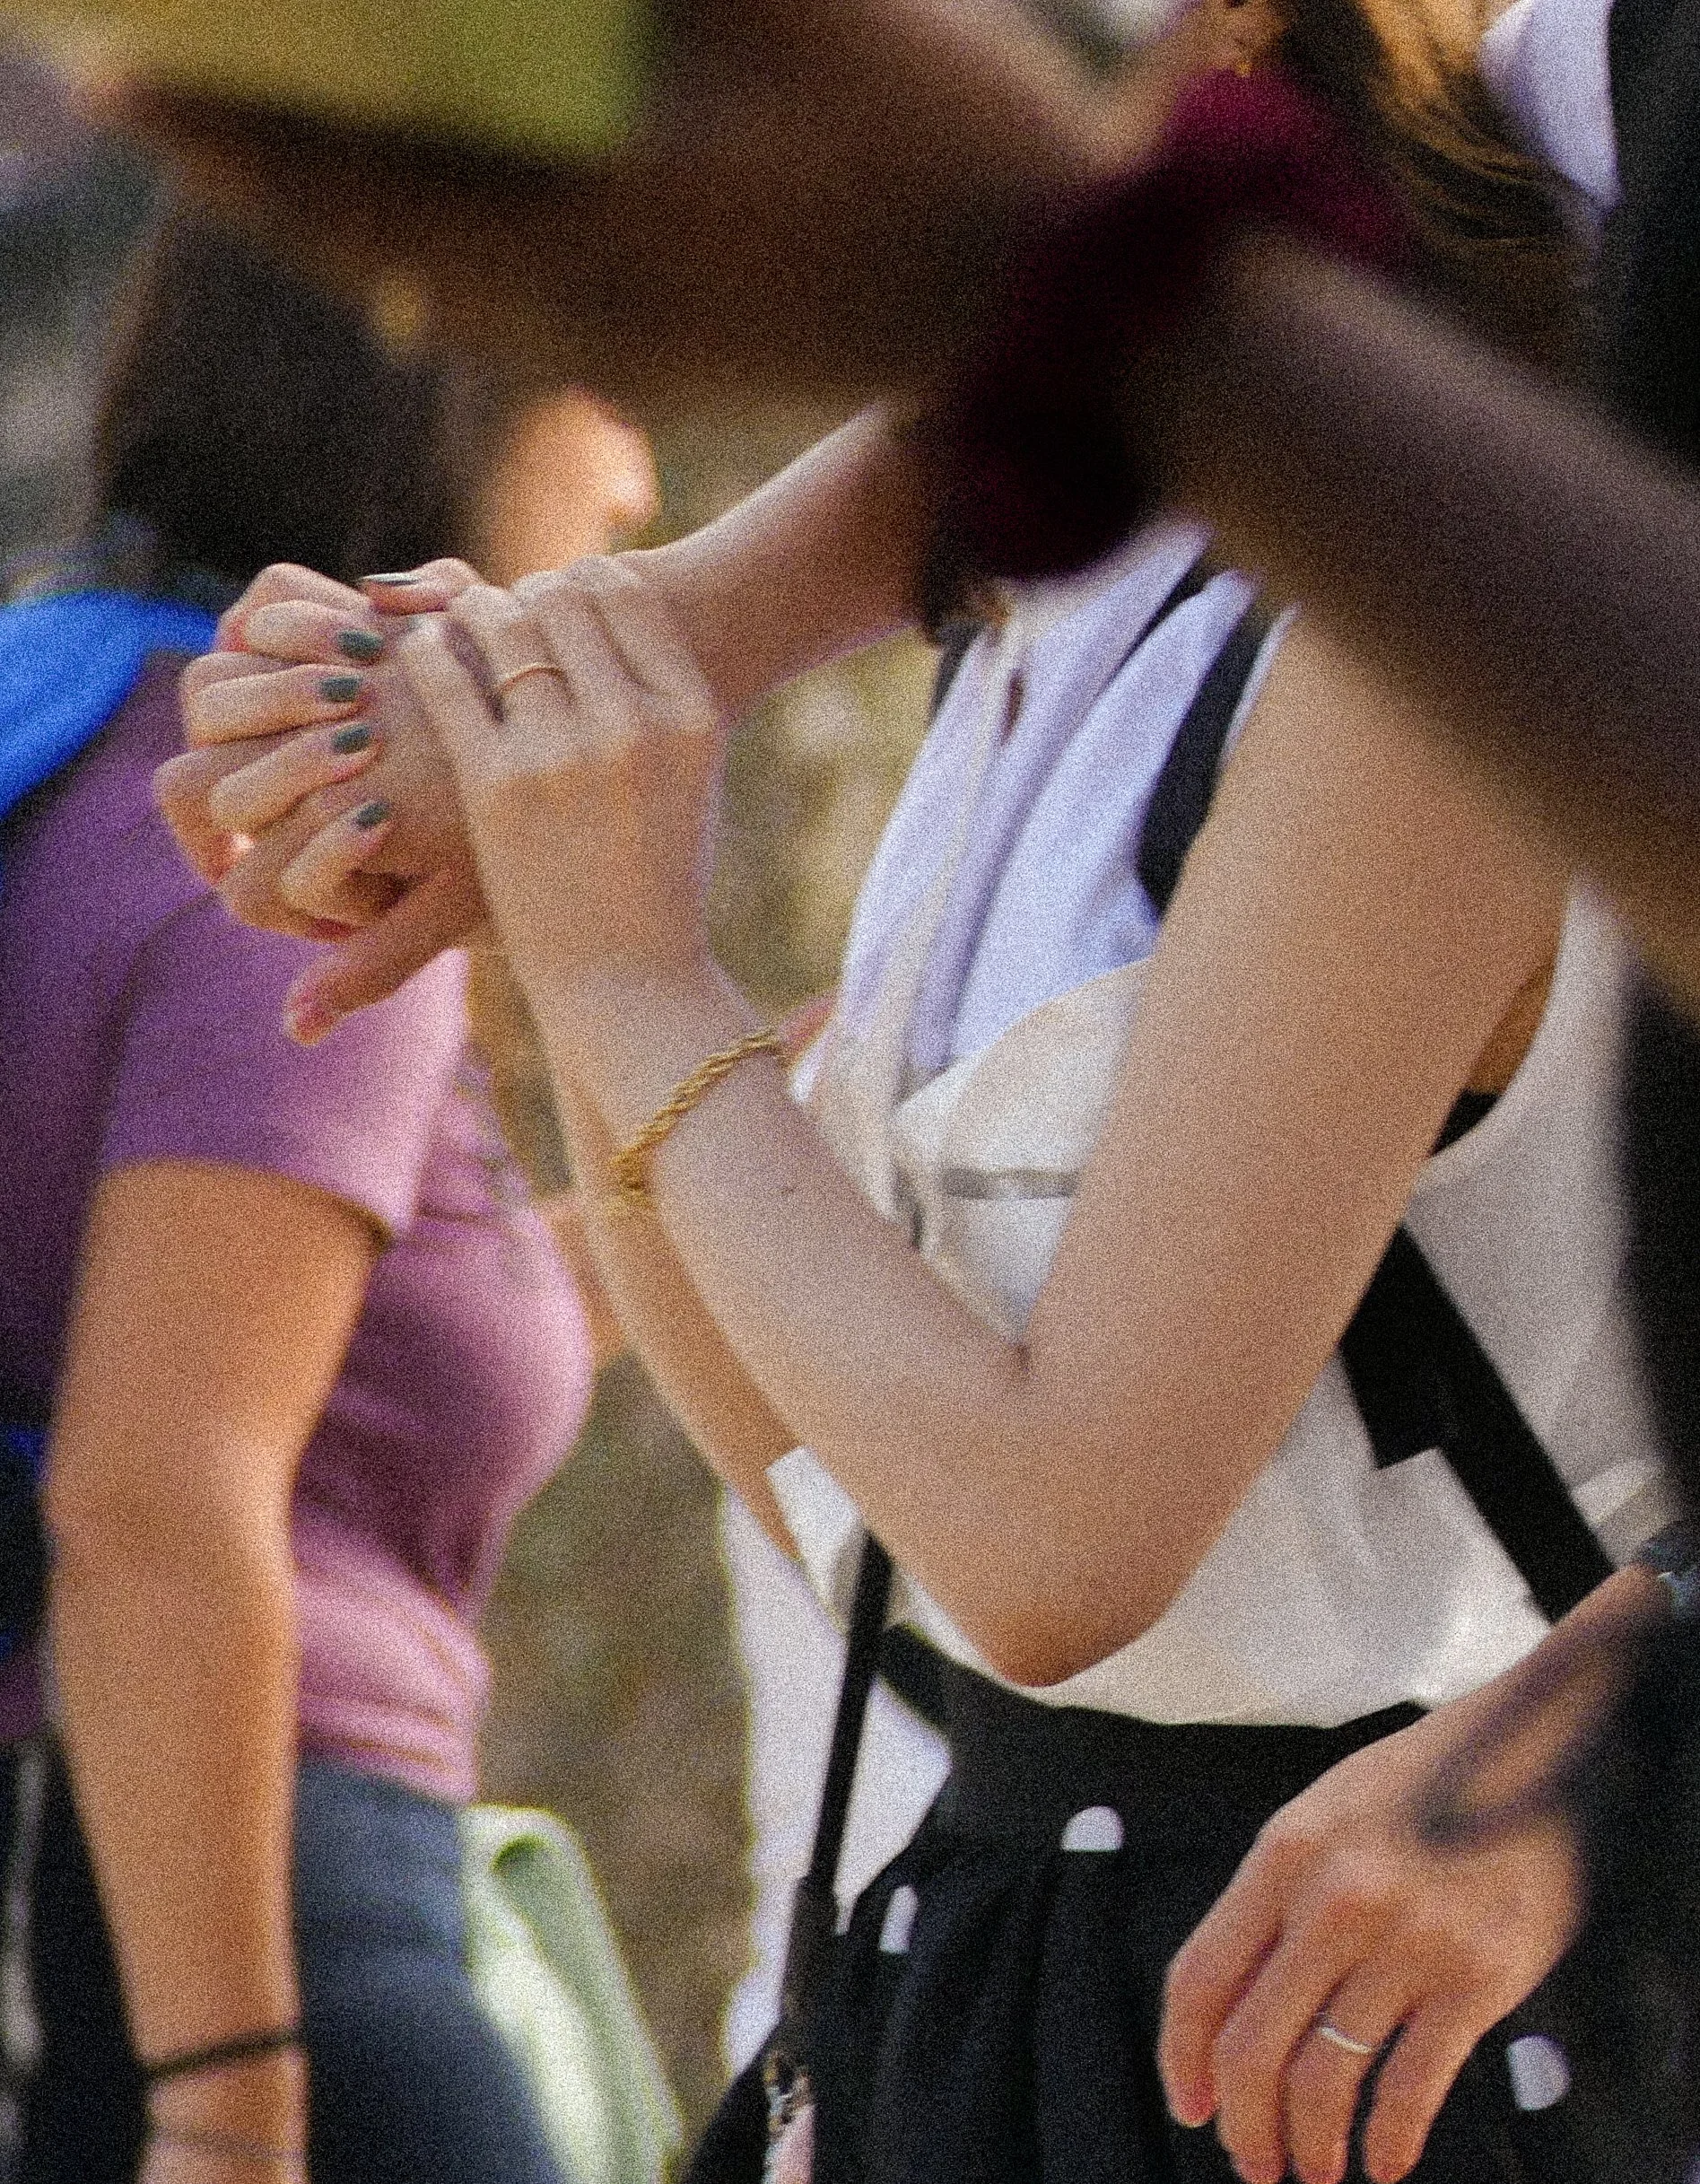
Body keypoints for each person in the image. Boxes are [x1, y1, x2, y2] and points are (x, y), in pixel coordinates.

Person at [163, 6, 1677, 2182]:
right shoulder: (1026, 609)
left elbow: (1060, 1542)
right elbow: (843, 1499)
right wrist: (548, 913)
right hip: (1011, 2003)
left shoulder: (1385, 644)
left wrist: (627, 957)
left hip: (1370, 2051)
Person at [0, 205, 624, 2184]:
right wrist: (231, 2103)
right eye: (610, 375)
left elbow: (296, 1348)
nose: (639, 473)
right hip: (241, 1923)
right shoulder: (285, 817)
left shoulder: (59, 730)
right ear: (459, 391)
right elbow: (151, 1492)